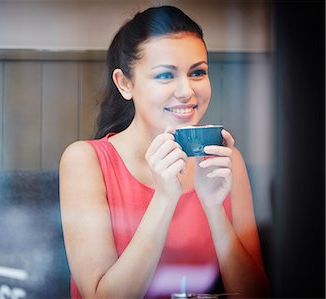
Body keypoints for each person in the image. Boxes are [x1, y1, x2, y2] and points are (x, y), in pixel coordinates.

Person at [59, 5, 269, 299]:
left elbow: (257, 294)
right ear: (125, 83)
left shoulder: (226, 160)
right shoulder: (85, 160)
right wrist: (164, 198)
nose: (186, 91)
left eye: (197, 72)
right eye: (165, 76)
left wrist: (214, 209)